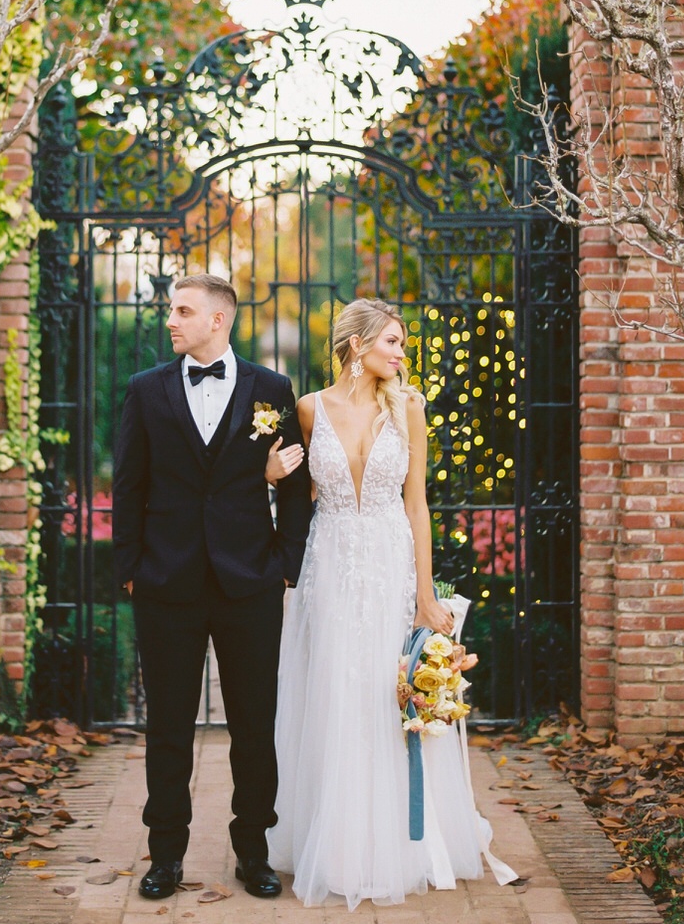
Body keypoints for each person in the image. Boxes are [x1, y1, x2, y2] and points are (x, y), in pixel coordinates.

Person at [265, 298, 518, 909]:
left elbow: (417, 506)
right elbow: (297, 498)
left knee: (392, 692)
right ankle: (337, 841)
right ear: (358, 345)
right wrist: (269, 478)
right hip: (328, 565)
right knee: (334, 692)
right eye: (393, 343)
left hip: (389, 565)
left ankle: (404, 840)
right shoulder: (307, 409)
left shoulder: (409, 408)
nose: (401, 355)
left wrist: (425, 595)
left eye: (402, 344)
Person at [112, 274, 312, 901]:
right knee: (168, 725)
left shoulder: (272, 389)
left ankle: (254, 852)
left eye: (182, 310)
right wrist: (130, 568)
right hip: (166, 583)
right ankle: (165, 856)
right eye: (171, 310)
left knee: (255, 725)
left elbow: (298, 484)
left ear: (218, 319)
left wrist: (286, 564)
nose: (170, 320)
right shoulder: (145, 391)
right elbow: (127, 487)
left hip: (248, 581)